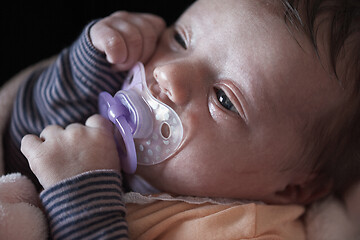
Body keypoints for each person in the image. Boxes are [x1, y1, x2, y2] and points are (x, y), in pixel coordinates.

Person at [4, 0, 360, 239]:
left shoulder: (245, 231)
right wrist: (92, 68)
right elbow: (21, 149)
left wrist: (81, 195)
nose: (169, 73)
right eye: (179, 39)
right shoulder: (111, 134)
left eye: (224, 99)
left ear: (293, 188)